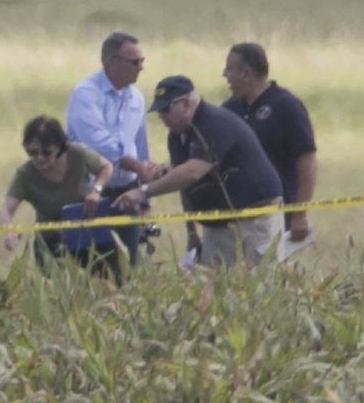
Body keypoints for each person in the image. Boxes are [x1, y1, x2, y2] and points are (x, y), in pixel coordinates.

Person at [113, 76, 284, 268]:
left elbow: (192, 172)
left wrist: (143, 192)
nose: (161, 116)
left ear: (186, 103)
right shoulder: (177, 135)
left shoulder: (213, 123)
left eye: (165, 109)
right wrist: (192, 232)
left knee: (259, 278)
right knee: (214, 284)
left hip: (254, 218)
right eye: (158, 111)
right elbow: (185, 184)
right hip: (217, 222)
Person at [65, 31, 160, 266]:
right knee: (89, 265)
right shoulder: (85, 94)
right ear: (112, 62)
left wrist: (145, 190)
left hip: (126, 194)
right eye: (135, 62)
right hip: (89, 193)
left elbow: (140, 145)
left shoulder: (136, 98)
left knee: (127, 265)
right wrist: (137, 166)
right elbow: (98, 144)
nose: (140, 68)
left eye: (142, 61)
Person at [221, 42, 317, 242]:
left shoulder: (286, 106)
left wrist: (299, 215)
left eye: (230, 69)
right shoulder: (229, 110)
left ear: (246, 74)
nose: (225, 75)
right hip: (234, 215)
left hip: (276, 213)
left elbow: (306, 162)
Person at [0, 115, 113, 269]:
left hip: (87, 238)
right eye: (32, 152)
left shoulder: (78, 154)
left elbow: (106, 167)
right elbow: (6, 209)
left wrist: (96, 191)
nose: (39, 158)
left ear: (59, 147)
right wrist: (9, 231)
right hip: (50, 244)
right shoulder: (25, 174)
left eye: (46, 152)